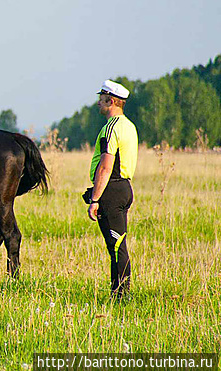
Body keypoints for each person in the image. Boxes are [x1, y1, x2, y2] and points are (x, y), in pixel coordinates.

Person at [86, 79, 138, 298]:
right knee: (117, 245)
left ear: (112, 101)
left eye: (102, 99)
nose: (98, 103)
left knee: (116, 247)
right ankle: (119, 292)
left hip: (112, 190)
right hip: (124, 187)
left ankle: (121, 295)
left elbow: (106, 166)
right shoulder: (129, 125)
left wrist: (95, 199)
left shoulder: (111, 128)